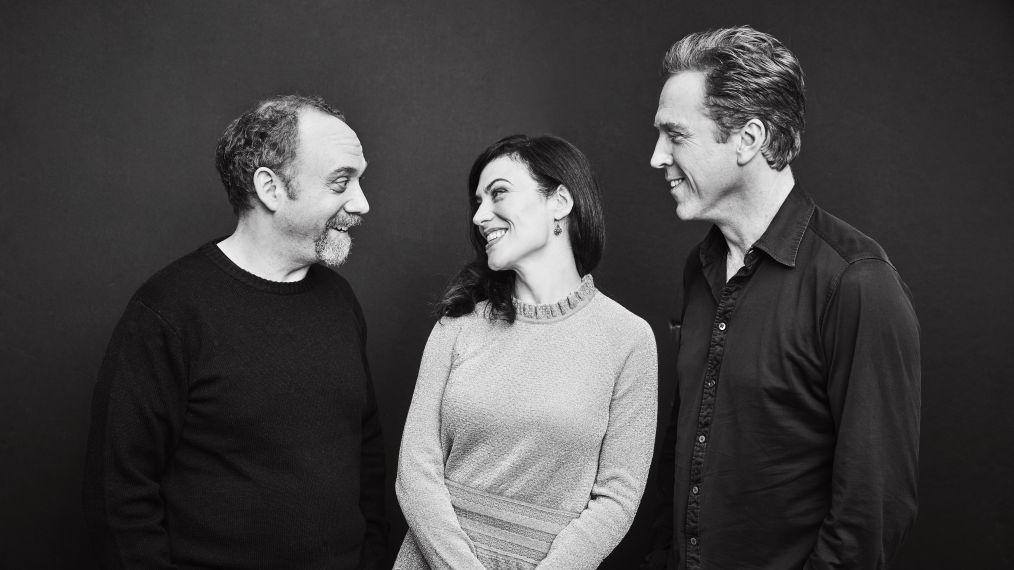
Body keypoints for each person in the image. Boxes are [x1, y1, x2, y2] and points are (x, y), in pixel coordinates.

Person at [643, 26, 921, 569]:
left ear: (748, 138)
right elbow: (684, 450)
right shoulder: (698, 271)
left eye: (676, 136)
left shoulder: (857, 282)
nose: (657, 157)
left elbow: (873, 511)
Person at [83, 95, 388, 569]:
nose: (362, 202)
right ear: (269, 188)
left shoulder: (339, 301)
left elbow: (365, 455)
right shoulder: (170, 310)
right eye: (340, 182)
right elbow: (118, 492)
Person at [394, 134, 658, 569]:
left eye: (498, 192)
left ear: (560, 201)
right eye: (476, 201)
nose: (480, 216)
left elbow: (618, 497)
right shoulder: (456, 326)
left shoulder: (628, 338)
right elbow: (415, 473)